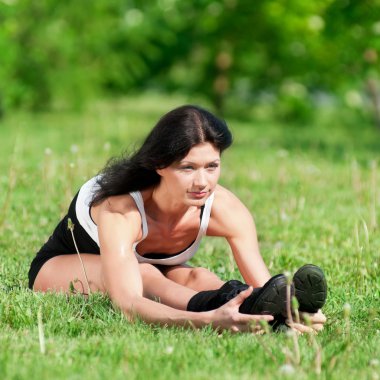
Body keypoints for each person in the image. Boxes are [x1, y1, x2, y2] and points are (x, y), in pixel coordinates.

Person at [28, 105, 327, 333]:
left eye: (212, 166)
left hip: (148, 272)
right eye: (187, 168)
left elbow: (262, 282)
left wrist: (287, 311)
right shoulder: (121, 209)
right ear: (159, 165)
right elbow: (128, 304)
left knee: (199, 278)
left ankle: (243, 304)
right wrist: (206, 321)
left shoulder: (226, 209)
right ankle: (219, 307)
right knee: (145, 275)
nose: (202, 182)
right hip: (62, 267)